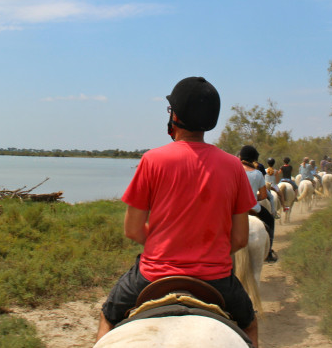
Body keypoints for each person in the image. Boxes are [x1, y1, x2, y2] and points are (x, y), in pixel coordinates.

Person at [97, 77, 259, 347]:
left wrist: (168, 246)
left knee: (108, 317)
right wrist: (208, 251)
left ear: (176, 115)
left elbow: (133, 229)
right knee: (250, 325)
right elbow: (241, 238)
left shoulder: (152, 160)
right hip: (216, 278)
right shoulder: (233, 166)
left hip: (152, 274)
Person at [240, 145, 278, 263]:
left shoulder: (234, 169)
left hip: (235, 208)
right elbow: (263, 195)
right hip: (253, 208)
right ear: (254, 159)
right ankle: (269, 253)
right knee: (270, 221)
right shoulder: (257, 174)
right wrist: (253, 197)